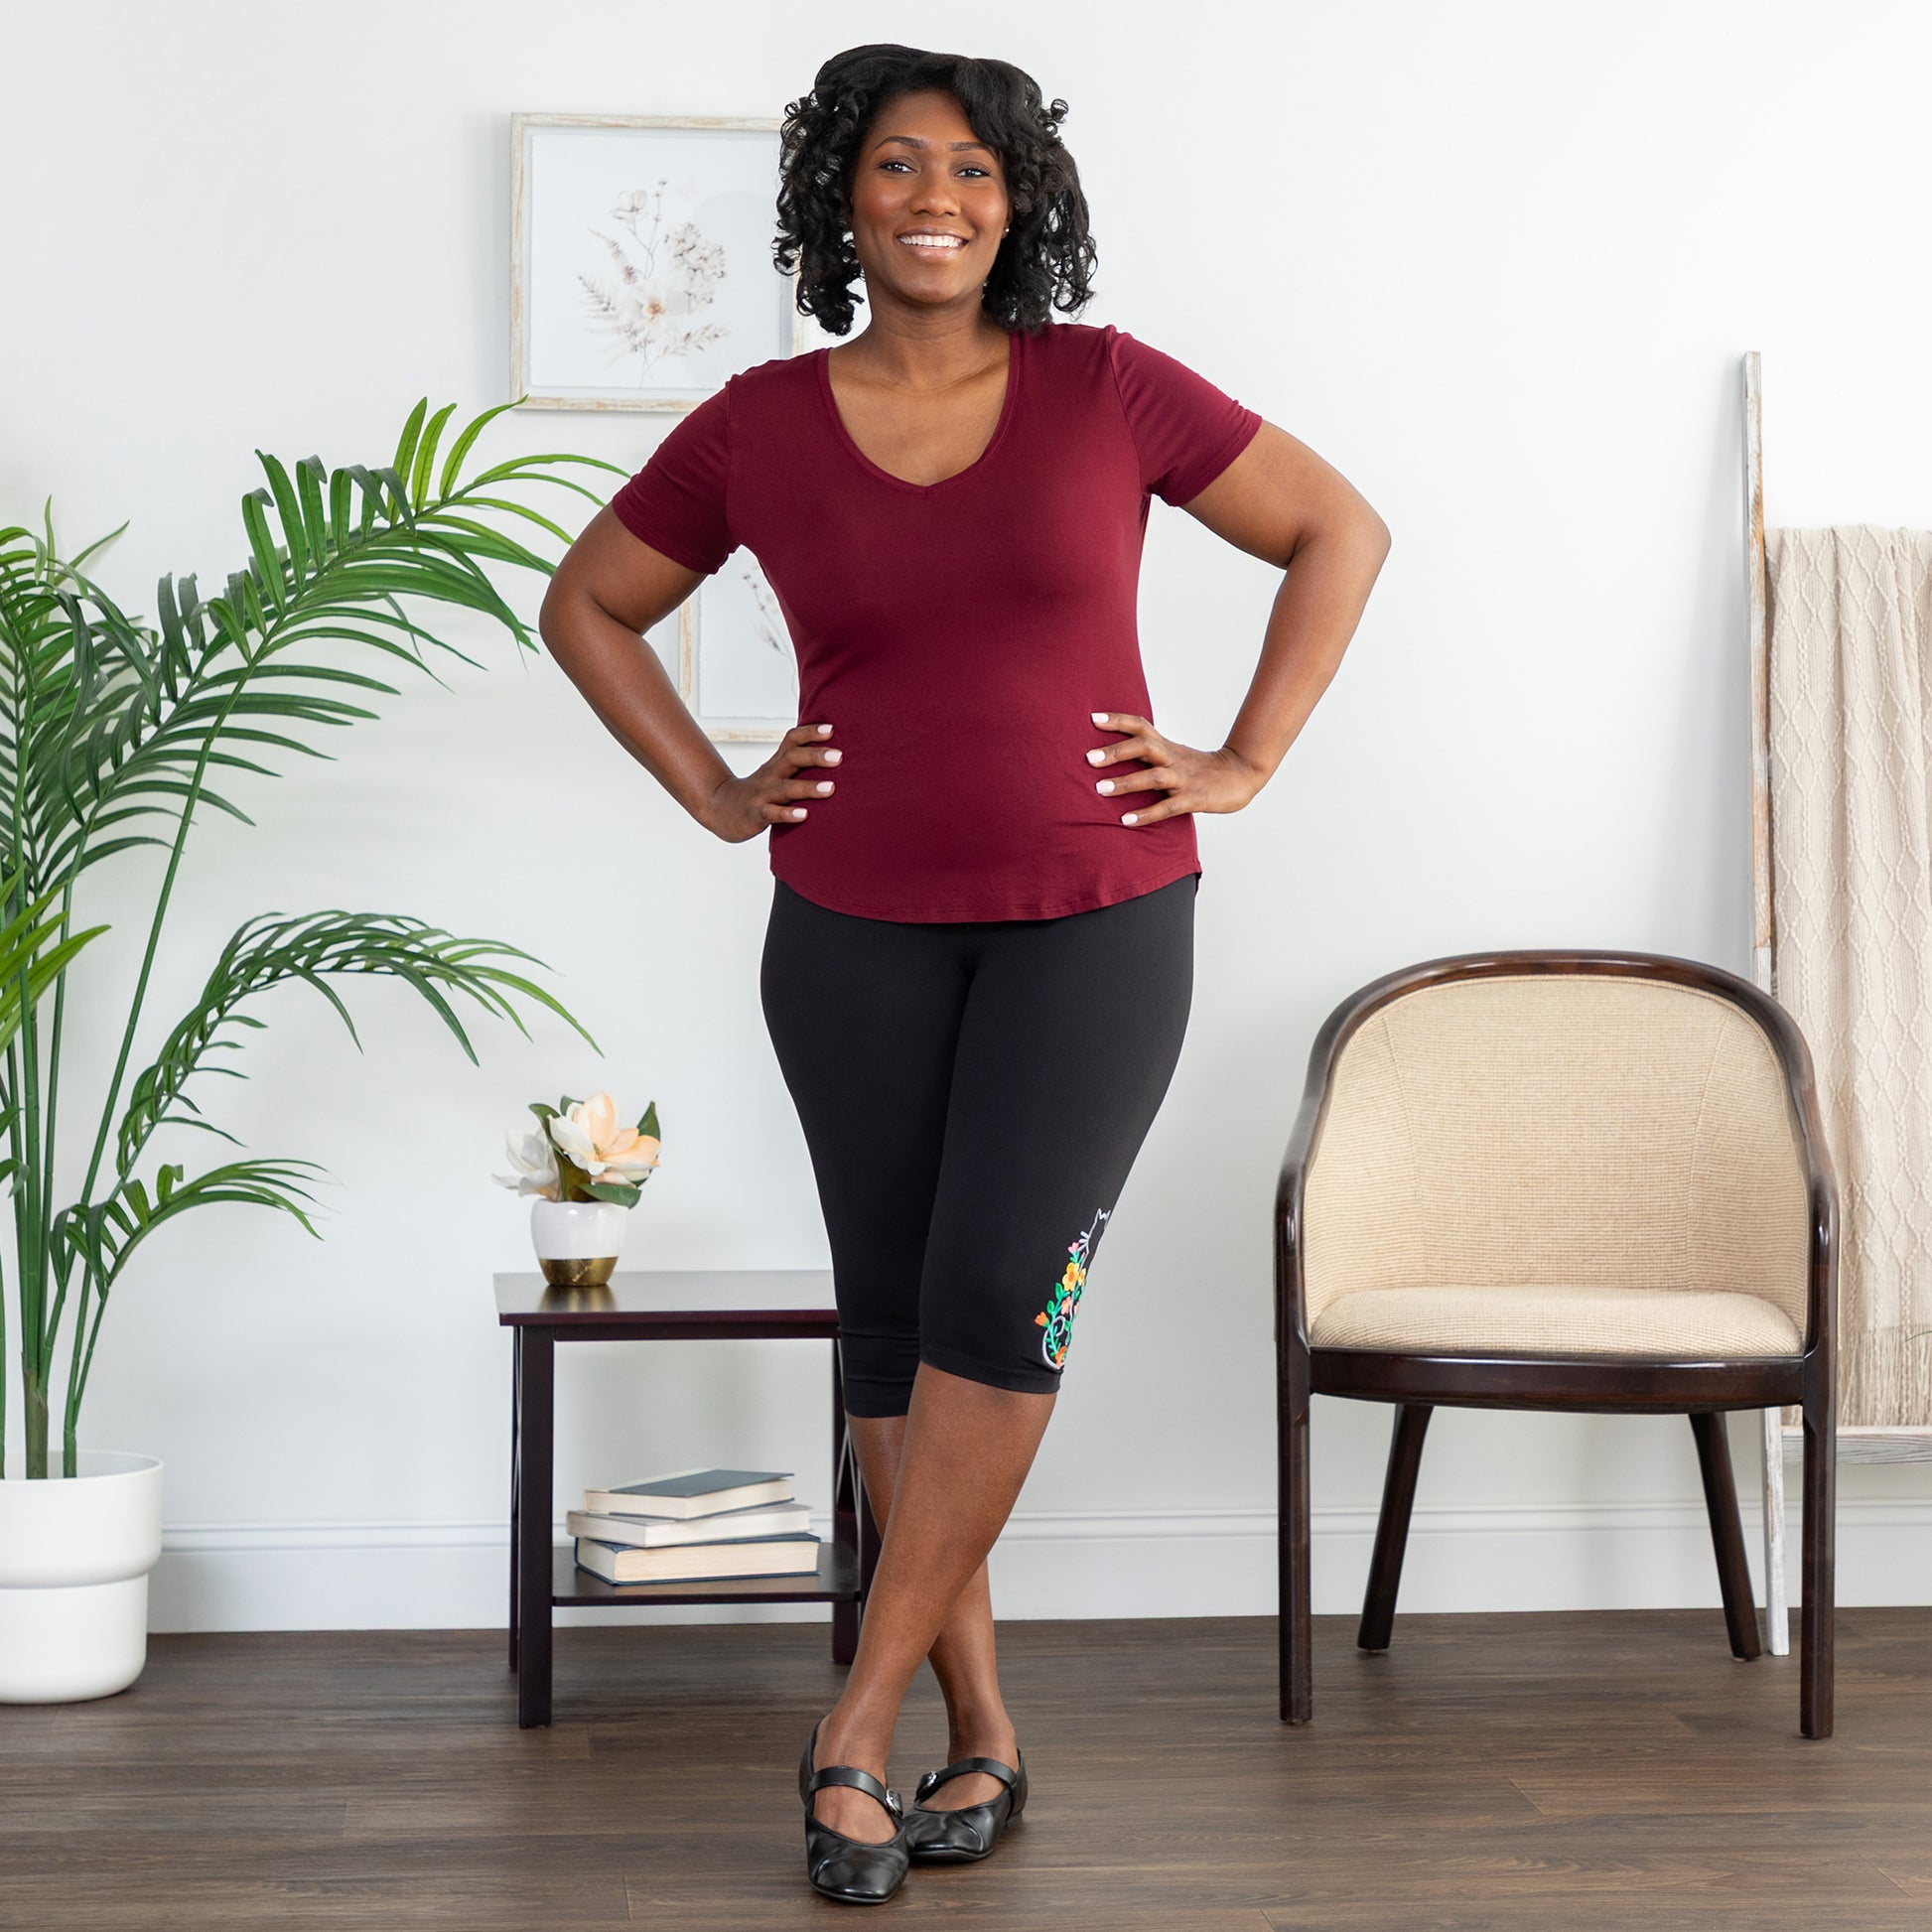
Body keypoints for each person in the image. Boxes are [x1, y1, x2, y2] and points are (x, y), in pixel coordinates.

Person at [538, 42, 1390, 1907]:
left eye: (977, 171)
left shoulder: (1106, 386)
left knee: (1006, 1293)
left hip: (1096, 912)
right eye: (902, 164)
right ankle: (978, 1724)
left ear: (1021, 203)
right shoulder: (756, 422)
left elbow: (1340, 527)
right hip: (845, 928)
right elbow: (585, 600)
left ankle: (849, 1723)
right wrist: (712, 787)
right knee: (893, 1316)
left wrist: (1244, 755)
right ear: (841, 195)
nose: (940, 199)